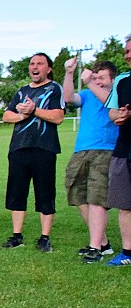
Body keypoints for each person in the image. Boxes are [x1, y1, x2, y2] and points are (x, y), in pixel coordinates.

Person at [2, 53, 65, 252]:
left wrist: (34, 110)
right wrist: (22, 114)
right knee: (16, 193)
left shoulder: (54, 89)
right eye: (32, 63)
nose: (34, 67)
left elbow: (58, 117)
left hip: (44, 148)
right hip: (19, 148)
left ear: (49, 69)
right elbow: (6, 115)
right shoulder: (22, 91)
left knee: (45, 193)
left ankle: (45, 237)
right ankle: (17, 236)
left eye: (40, 64)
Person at [62, 57, 118, 263]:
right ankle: (103, 244)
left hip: (105, 150)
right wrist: (69, 73)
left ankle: (95, 247)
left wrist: (90, 82)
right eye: (96, 77)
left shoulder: (115, 94)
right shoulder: (87, 94)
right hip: (81, 151)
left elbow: (111, 103)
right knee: (77, 195)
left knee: (96, 198)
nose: (98, 81)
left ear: (112, 79)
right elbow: (68, 98)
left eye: (102, 77)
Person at [104, 34, 131, 266]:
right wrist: (120, 116)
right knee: (125, 204)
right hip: (124, 150)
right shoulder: (122, 81)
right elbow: (112, 112)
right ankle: (127, 253)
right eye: (126, 52)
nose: (128, 55)